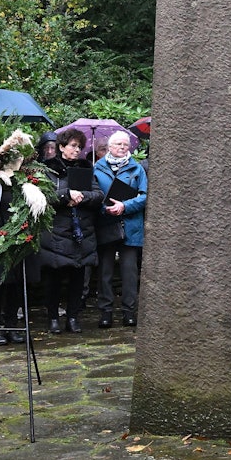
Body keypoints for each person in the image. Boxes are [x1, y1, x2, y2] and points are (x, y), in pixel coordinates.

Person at [38, 128, 103, 334]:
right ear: (61, 147)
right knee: (54, 278)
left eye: (79, 147)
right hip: (57, 231)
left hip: (81, 231)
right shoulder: (48, 169)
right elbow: (42, 197)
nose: (77, 150)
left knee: (78, 276)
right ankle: (53, 318)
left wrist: (81, 196)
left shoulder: (86, 169)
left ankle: (73, 317)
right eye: (73, 146)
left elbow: (99, 195)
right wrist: (66, 195)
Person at [93, 131, 147, 329]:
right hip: (106, 224)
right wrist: (106, 209)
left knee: (129, 272)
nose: (122, 147)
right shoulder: (97, 168)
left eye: (125, 144)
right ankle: (105, 312)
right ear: (109, 147)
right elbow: (93, 194)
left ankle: (129, 312)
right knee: (105, 271)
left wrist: (124, 206)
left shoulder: (137, 169)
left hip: (130, 225)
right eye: (118, 144)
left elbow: (144, 195)